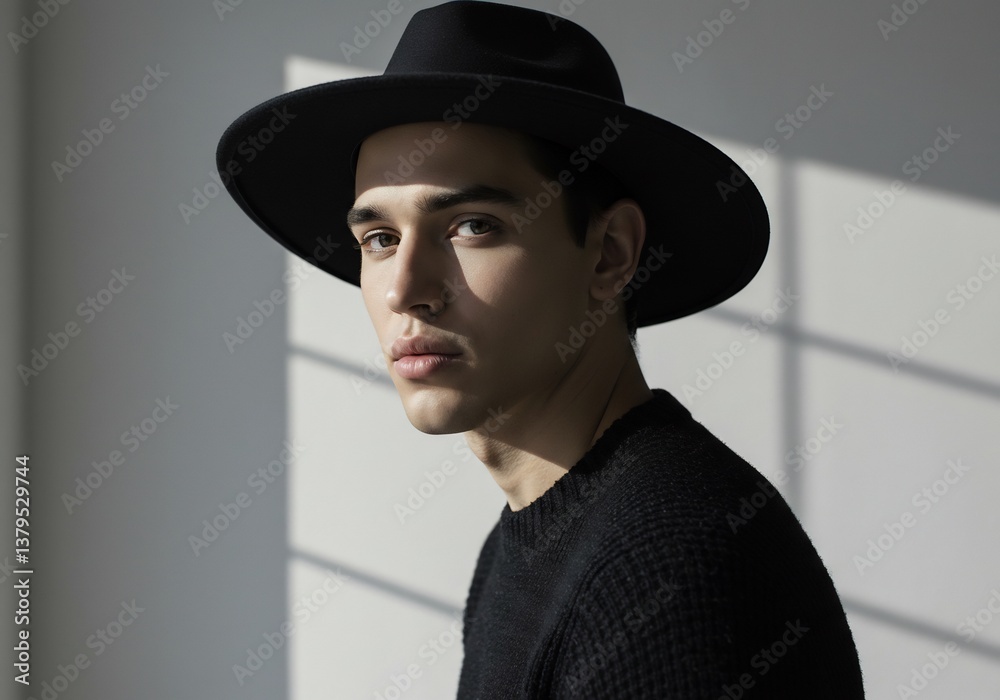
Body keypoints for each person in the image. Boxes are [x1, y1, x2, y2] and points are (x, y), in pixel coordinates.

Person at [216, 1, 866, 697]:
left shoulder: (670, 567)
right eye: (379, 239)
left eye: (472, 226)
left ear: (609, 252)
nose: (405, 290)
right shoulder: (535, 537)